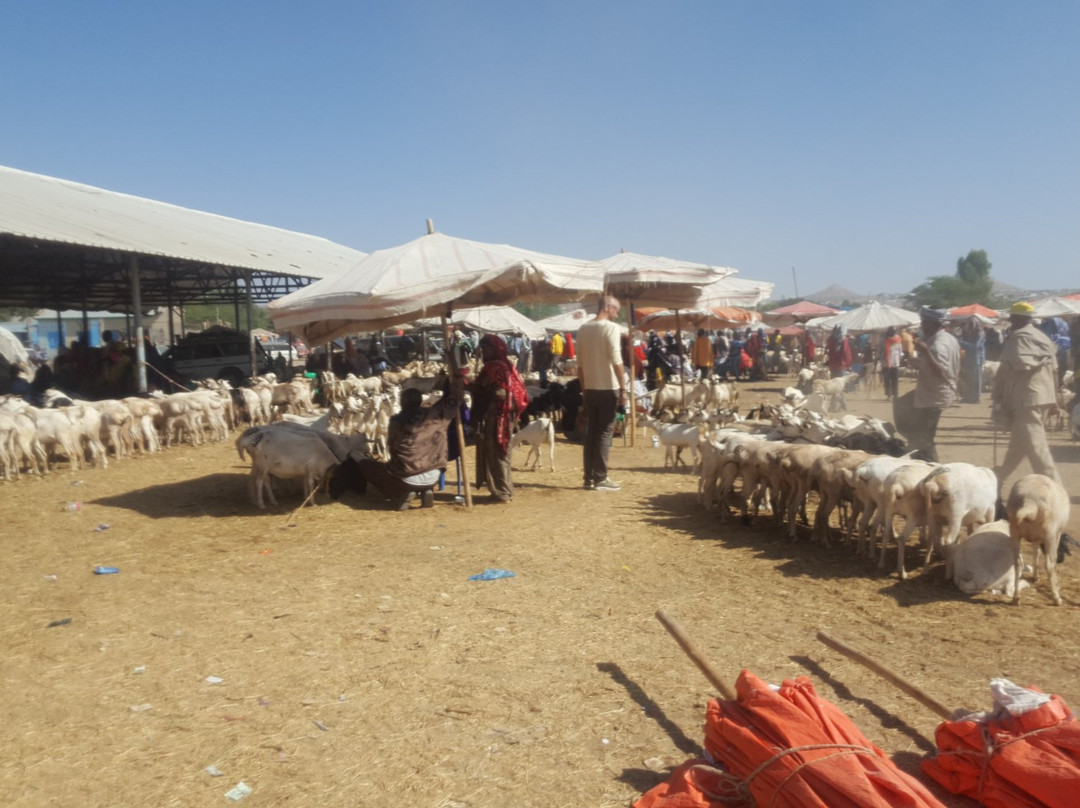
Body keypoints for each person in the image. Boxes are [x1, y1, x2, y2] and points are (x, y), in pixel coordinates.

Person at [330, 373, 464, 510]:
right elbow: (455, 398)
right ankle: (426, 490)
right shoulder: (436, 415)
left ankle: (403, 492)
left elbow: (393, 451)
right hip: (434, 473)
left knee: (365, 464)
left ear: (402, 403)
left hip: (407, 476)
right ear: (420, 401)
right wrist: (454, 379)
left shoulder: (396, 422)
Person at [991, 302, 1061, 489]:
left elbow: (1013, 368)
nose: (1011, 321)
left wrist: (999, 395)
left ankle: (1054, 488)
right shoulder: (1042, 338)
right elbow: (1055, 370)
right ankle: (998, 477)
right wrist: (1055, 399)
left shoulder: (1019, 338)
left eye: (1013, 317)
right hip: (1043, 396)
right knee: (1019, 445)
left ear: (1021, 319)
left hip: (1026, 398)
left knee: (1037, 448)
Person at [471, 334, 529, 503]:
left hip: (497, 415)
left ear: (495, 349)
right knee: (501, 451)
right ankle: (504, 489)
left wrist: (475, 388)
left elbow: (500, 393)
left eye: (486, 349)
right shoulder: (508, 366)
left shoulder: (494, 368)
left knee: (496, 451)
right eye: (482, 350)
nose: (483, 353)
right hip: (506, 415)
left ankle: (502, 491)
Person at [576, 295, 625, 491]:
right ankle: (601, 477)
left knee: (591, 433)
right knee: (605, 433)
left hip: (590, 388)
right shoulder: (611, 328)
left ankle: (588, 477)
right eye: (617, 310)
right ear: (609, 308)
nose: (618, 314)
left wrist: (583, 387)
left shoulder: (583, 328)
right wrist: (623, 387)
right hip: (608, 387)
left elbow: (579, 364)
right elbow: (616, 359)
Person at [899, 308, 960, 462]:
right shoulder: (948, 338)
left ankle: (931, 465)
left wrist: (926, 353)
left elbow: (941, 371)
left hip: (933, 396)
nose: (922, 327)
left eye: (924, 324)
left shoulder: (937, 345)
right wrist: (918, 362)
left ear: (934, 324)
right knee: (918, 432)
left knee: (924, 437)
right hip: (933, 393)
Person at [957, 320, 986, 404]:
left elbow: (975, 346)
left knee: (976, 380)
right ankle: (969, 397)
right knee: (969, 379)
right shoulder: (971, 333)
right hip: (970, 359)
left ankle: (976, 398)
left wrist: (961, 343)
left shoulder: (980, 333)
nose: (969, 326)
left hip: (977, 359)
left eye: (971, 324)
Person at [881, 326, 902, 399]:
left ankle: (890, 395)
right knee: (894, 379)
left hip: (887, 362)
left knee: (888, 379)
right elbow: (900, 351)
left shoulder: (884, 341)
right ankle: (894, 395)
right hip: (894, 362)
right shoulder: (898, 340)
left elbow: (880, 351)